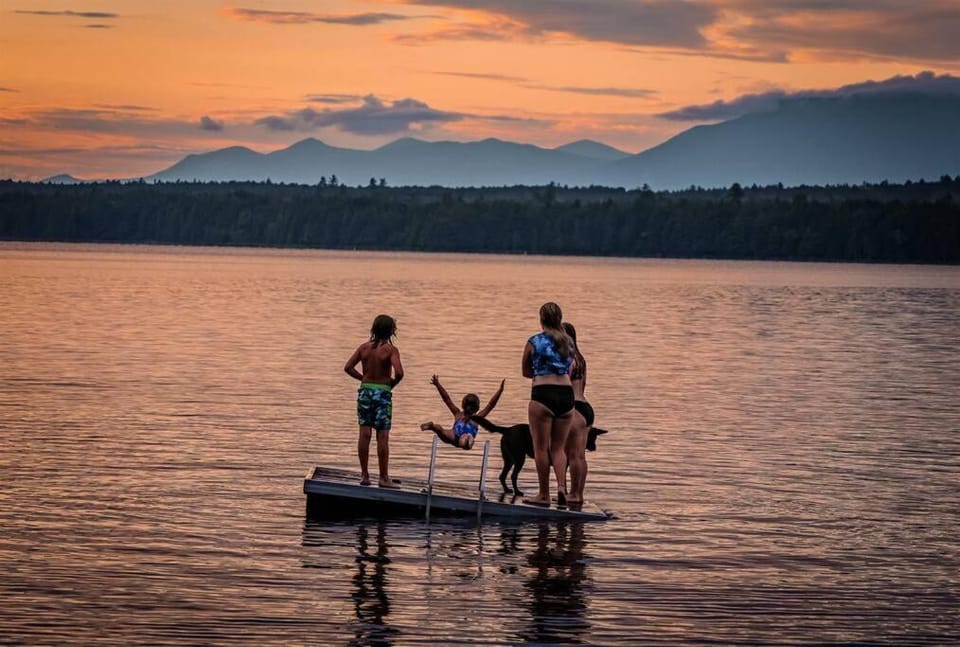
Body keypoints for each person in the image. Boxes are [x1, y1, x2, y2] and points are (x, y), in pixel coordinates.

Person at [521, 302, 575, 506]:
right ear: (560, 319)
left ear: (541, 319)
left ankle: (544, 495)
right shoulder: (569, 342)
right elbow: (568, 368)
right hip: (566, 394)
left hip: (543, 393)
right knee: (559, 448)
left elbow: (525, 372)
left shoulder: (534, 341)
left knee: (541, 448)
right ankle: (561, 487)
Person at [344, 314, 404, 488]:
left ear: (374, 329)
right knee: (382, 435)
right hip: (382, 393)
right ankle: (384, 478)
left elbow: (347, 367)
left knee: (364, 434)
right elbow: (399, 372)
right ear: (391, 331)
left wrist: (364, 379)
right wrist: (390, 384)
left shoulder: (364, 348)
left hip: (365, 392)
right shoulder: (391, 350)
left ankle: (364, 476)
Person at [421, 375, 505, 450]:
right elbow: (491, 405)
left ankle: (432, 426)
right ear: (477, 408)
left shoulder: (458, 413)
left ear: (463, 405)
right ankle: (468, 439)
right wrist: (500, 391)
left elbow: (447, 399)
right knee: (465, 445)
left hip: (454, 435)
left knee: (440, 431)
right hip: (461, 438)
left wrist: (438, 384)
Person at [562, 321, 593, 506]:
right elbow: (583, 384)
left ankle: (572, 493)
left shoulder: (567, 359)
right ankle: (578, 494)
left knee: (571, 455)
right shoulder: (581, 359)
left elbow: (563, 386)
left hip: (573, 409)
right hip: (586, 408)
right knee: (580, 455)